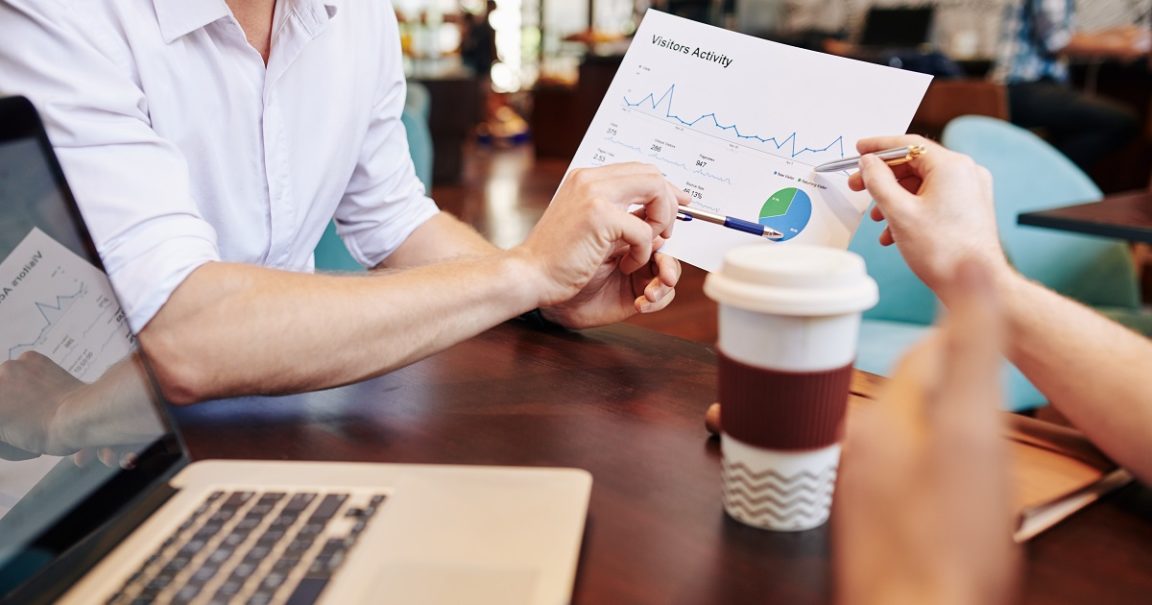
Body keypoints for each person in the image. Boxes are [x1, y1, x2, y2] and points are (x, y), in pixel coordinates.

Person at [0, 0, 688, 408]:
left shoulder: (355, 12)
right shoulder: (62, 16)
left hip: (280, 404)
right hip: (73, 440)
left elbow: (395, 219)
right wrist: (526, 272)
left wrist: (547, 294)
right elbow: (186, 336)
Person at [991, 0, 1144, 172]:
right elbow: (1056, 41)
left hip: (1027, 87)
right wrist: (1125, 46)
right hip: (1021, 86)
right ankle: (1047, 179)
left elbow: (1066, 34)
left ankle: (1045, 178)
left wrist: (1115, 35)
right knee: (1118, 122)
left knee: (1092, 125)